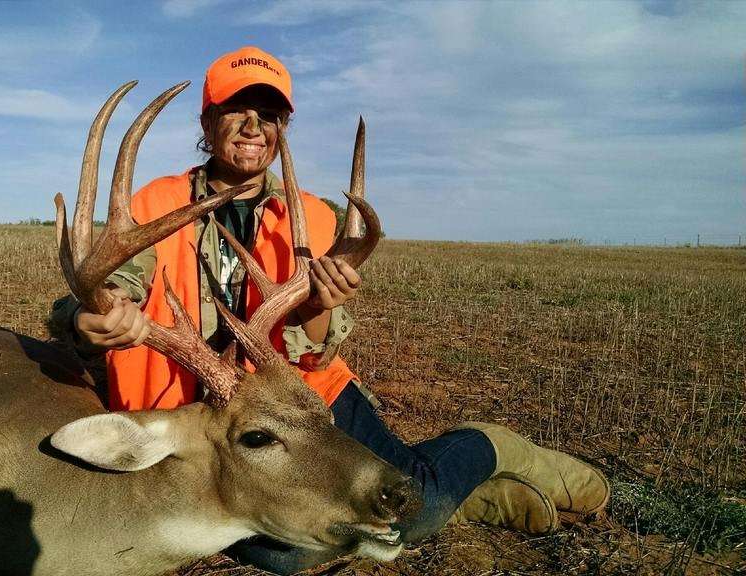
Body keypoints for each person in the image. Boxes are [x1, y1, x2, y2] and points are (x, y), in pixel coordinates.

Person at [48, 46, 609, 575]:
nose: (253, 127)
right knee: (281, 553)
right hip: (199, 417)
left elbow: (315, 351)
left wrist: (319, 304)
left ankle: (494, 448)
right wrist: (92, 317)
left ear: (282, 129)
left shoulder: (312, 217)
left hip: (298, 401)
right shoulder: (156, 203)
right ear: (207, 121)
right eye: (237, 110)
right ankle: (468, 500)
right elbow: (115, 286)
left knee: (412, 502)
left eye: (270, 116)